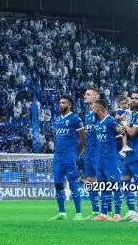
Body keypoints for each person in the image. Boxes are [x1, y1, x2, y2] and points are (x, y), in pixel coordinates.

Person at [50, 95, 85, 221]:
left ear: (70, 105)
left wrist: (76, 154)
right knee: (58, 184)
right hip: (57, 158)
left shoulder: (75, 119)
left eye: (63, 102)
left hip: (69, 157)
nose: (60, 104)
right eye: (59, 102)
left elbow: (82, 139)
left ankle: (78, 214)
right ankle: (62, 213)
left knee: (73, 184)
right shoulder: (58, 119)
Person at [118, 90, 138, 222]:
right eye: (132, 98)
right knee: (125, 183)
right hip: (129, 154)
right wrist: (121, 129)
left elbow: (132, 133)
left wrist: (124, 124)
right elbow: (126, 132)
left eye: (137, 98)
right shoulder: (133, 114)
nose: (133, 100)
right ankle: (131, 211)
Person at [92, 98, 123, 221]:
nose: (92, 110)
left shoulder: (110, 121)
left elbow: (121, 135)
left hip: (111, 158)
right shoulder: (97, 123)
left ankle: (117, 214)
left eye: (94, 108)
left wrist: (115, 152)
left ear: (99, 109)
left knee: (115, 185)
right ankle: (104, 214)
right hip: (100, 159)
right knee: (103, 186)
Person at [82, 87, 101, 219]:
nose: (85, 96)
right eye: (85, 94)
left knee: (103, 180)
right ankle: (95, 211)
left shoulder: (100, 112)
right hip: (88, 151)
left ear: (96, 97)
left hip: (99, 151)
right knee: (89, 180)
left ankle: (108, 211)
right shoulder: (87, 114)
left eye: (88, 94)